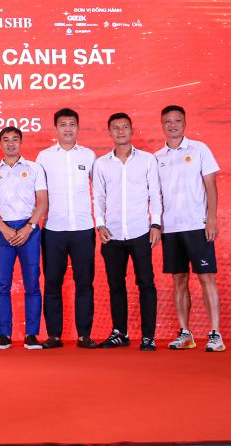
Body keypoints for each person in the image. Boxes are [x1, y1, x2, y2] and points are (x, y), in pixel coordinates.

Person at [155, 105, 225, 352]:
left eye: (177, 121)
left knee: (206, 277)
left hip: (198, 224)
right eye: (168, 121)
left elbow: (210, 186)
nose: (172, 125)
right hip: (170, 228)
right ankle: (185, 333)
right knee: (179, 279)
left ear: (184, 123)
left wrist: (212, 218)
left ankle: (215, 333)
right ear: (162, 124)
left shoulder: (199, 149)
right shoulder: (157, 157)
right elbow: (156, 195)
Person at [92, 113, 161, 352]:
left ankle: (148, 336)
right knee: (115, 285)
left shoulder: (148, 160)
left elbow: (155, 194)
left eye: (125, 127)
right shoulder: (101, 163)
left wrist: (156, 225)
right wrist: (99, 225)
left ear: (132, 131)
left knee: (146, 283)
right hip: (112, 234)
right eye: (115, 128)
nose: (120, 131)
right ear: (109, 132)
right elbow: (98, 197)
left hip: (141, 230)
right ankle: (120, 332)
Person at [36, 108, 98, 349]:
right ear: (56, 129)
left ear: (78, 128)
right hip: (53, 229)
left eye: (72, 124)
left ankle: (84, 335)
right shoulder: (44, 157)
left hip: (83, 228)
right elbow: (39, 193)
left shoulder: (89, 156)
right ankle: (54, 335)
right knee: (52, 282)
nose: (68, 129)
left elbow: (100, 192)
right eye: (63, 124)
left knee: (85, 282)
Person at [0, 126, 47, 350]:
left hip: (29, 230)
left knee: (32, 283)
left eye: (15, 140)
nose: (10, 144)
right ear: (0, 143)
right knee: (2, 285)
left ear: (21, 143)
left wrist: (29, 227)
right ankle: (4, 335)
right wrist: (4, 228)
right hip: (3, 231)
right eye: (6, 140)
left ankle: (31, 334)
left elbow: (42, 201)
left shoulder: (34, 168)